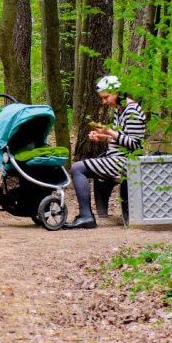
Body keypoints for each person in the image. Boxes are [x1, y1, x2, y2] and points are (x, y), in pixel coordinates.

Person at [64, 75, 147, 230]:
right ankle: (86, 215)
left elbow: (135, 145)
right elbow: (122, 139)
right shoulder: (120, 110)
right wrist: (104, 138)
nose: (104, 101)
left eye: (106, 97)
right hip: (118, 159)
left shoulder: (132, 111)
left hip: (128, 162)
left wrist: (110, 132)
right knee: (79, 168)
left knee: (77, 168)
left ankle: (86, 217)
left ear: (117, 92)